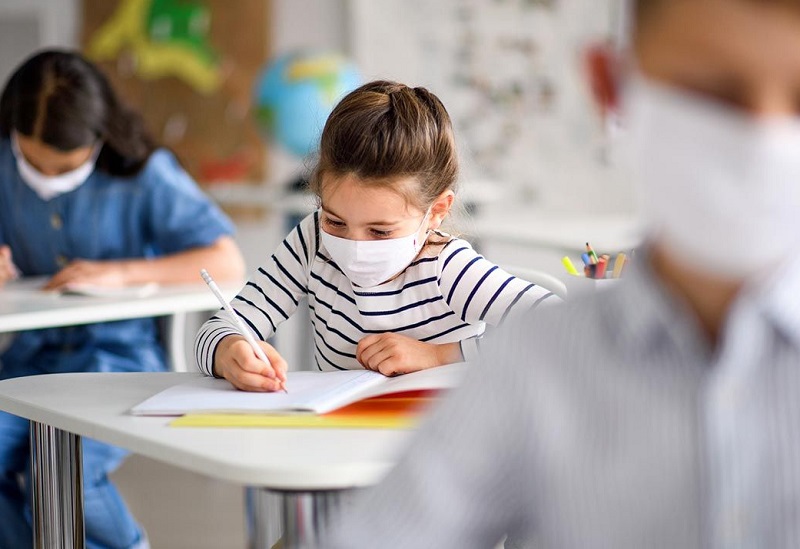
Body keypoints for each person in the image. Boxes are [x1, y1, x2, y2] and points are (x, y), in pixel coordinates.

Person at [317, 0, 800, 547]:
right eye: (712, 92)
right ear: (611, 86)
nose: (764, 140)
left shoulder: (498, 322)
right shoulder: (531, 366)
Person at [0, 50, 245, 549]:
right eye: (32, 162)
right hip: (27, 361)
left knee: (66, 479)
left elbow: (226, 262)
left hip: (118, 360)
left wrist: (123, 272)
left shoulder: (144, 173)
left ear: (97, 138)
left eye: (64, 166)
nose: (46, 177)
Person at [194, 80, 557, 391]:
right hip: (340, 438)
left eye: (380, 231)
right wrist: (230, 351)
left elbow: (559, 328)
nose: (354, 247)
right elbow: (221, 326)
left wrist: (439, 355)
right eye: (336, 222)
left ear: (436, 211)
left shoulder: (447, 268)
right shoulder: (311, 241)